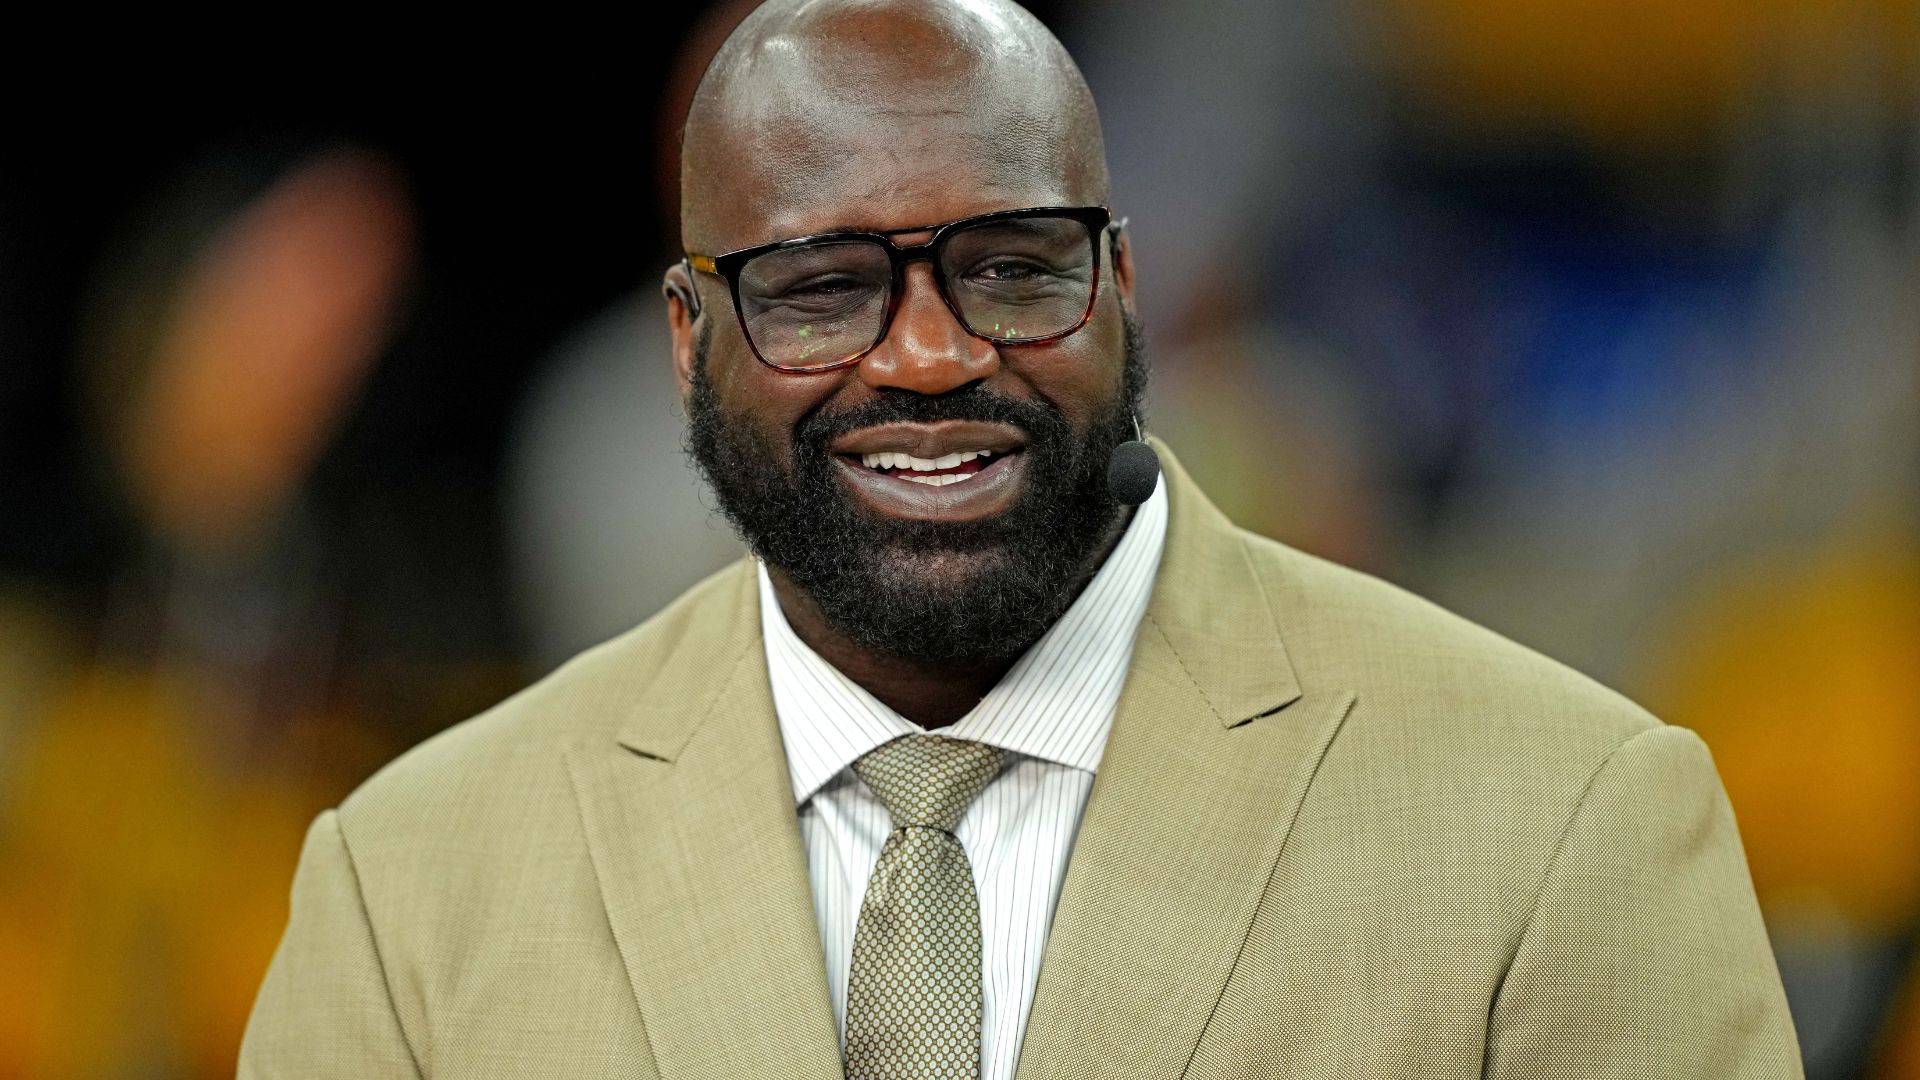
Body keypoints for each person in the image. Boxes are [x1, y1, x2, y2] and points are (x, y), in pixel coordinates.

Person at [238, 0, 1803, 1076]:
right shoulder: (412, 896)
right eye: (820, 287)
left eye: (1011, 266)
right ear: (686, 339)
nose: (929, 354)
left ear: (1121, 287)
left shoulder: (1565, 824)